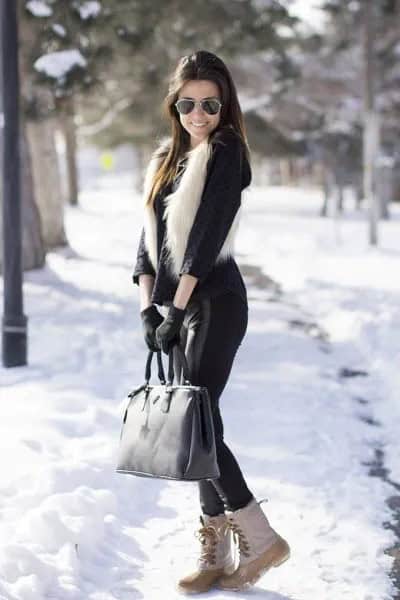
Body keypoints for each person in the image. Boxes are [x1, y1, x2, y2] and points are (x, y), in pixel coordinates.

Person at [132, 50, 290, 594]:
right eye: (188, 103)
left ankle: (259, 535)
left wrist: (177, 308)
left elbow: (202, 243)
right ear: (174, 104)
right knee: (195, 423)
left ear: (225, 106)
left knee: (197, 420)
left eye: (210, 104)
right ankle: (216, 548)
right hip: (174, 306)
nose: (198, 114)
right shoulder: (166, 160)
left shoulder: (227, 153)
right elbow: (148, 245)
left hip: (216, 302)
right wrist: (150, 306)